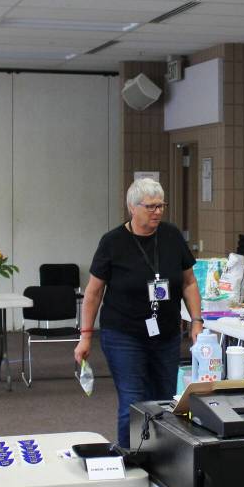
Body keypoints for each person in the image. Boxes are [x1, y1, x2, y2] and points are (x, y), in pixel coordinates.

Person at [74, 178, 204, 448]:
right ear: (133, 208)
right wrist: (85, 335)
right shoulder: (113, 242)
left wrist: (196, 321)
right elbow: (94, 292)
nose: (158, 212)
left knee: (163, 400)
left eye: (161, 206)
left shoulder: (171, 236)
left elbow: (189, 282)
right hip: (123, 334)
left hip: (166, 334)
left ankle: (159, 460)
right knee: (133, 400)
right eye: (151, 207)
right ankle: (127, 456)